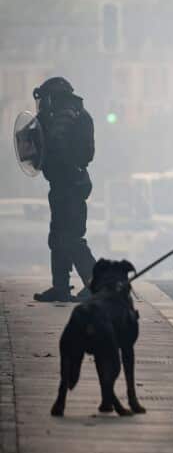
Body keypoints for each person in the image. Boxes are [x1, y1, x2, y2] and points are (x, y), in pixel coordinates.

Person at [31, 77, 98, 302]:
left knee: (71, 237)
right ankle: (60, 287)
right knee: (59, 236)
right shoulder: (66, 116)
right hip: (63, 184)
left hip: (71, 183)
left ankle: (96, 285)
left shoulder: (68, 117)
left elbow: (59, 148)